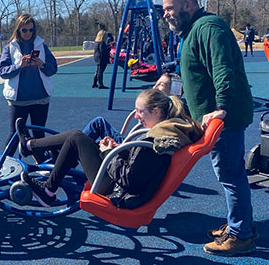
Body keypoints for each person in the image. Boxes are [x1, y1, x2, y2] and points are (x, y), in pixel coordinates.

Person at [163, 0, 257, 256]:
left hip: (223, 118)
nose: (166, 14)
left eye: (170, 8)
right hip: (214, 117)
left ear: (188, 6)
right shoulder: (192, 31)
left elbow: (222, 68)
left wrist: (221, 108)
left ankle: (241, 235)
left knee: (230, 173)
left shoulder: (208, 27)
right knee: (230, 172)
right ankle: (241, 224)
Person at [19, 89, 202, 209]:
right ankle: (33, 148)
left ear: (156, 111)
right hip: (119, 183)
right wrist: (117, 149)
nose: (137, 117)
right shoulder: (165, 134)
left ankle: (48, 189)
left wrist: (108, 152)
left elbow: (131, 181)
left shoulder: (155, 142)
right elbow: (137, 167)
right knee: (76, 138)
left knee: (76, 138)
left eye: (140, 112)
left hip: (114, 189)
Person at [0, 14, 58, 146]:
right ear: (18, 30)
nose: (28, 33)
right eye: (24, 30)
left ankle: (41, 163)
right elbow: (2, 72)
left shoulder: (42, 46)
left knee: (39, 134)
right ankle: (4, 164)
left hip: (40, 98)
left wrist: (41, 64)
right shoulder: (9, 47)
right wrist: (19, 66)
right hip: (18, 100)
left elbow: (53, 68)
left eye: (31, 30)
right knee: (14, 133)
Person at [82, 73, 174, 145]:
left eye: (160, 84)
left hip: (125, 151)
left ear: (173, 89)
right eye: (156, 83)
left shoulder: (168, 114)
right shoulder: (172, 112)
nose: (155, 87)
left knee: (77, 140)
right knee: (96, 125)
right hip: (130, 147)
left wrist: (110, 149)